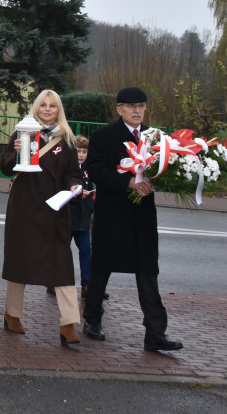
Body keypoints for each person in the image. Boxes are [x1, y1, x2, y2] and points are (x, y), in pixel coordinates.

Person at [82, 87, 184, 353]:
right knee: (102, 268)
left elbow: (165, 167)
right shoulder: (104, 135)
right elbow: (94, 169)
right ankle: (92, 320)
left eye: (141, 105)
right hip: (112, 214)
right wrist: (127, 181)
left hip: (143, 217)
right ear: (119, 109)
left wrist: (166, 179)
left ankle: (155, 333)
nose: (137, 110)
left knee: (148, 271)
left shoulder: (156, 138)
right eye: (130, 106)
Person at [0, 89, 84, 349]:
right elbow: (5, 167)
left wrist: (74, 187)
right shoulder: (22, 131)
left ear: (59, 110)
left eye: (53, 106)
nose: (48, 109)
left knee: (62, 265)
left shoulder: (67, 140)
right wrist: (15, 151)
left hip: (54, 210)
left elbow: (73, 173)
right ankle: (12, 315)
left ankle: (68, 324)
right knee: (19, 260)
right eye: (43, 105)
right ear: (37, 108)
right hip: (24, 206)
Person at [71, 136, 97, 299]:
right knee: (62, 251)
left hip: (83, 217)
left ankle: (86, 284)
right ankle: (55, 282)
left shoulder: (90, 169)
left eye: (84, 151)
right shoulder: (69, 167)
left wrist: (90, 203)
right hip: (68, 215)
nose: (81, 155)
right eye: (78, 151)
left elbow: (94, 187)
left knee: (86, 250)